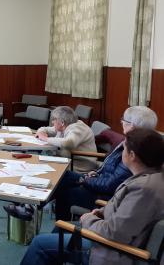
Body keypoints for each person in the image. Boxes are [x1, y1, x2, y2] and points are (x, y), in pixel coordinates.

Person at [20, 128, 164, 265]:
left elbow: (115, 233)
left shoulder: (144, 189)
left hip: (111, 250)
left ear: (132, 156)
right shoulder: (149, 177)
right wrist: (101, 212)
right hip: (111, 236)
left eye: (123, 148)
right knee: (61, 229)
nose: (121, 153)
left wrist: (89, 219)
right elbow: (128, 213)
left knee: (40, 243)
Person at [52, 106, 157, 221]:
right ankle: (36, 206)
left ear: (131, 125)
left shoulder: (133, 150)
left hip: (105, 196)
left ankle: (61, 228)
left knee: (64, 193)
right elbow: (110, 170)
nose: (121, 122)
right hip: (100, 180)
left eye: (123, 120)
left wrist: (86, 180)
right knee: (63, 176)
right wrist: (95, 173)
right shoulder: (134, 142)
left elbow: (109, 186)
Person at [36, 106, 97, 173]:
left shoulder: (78, 128)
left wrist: (46, 139)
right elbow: (44, 129)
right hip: (67, 159)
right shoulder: (64, 126)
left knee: (44, 167)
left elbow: (69, 143)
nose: (53, 122)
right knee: (40, 161)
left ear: (62, 122)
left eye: (54, 120)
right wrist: (41, 132)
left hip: (80, 164)